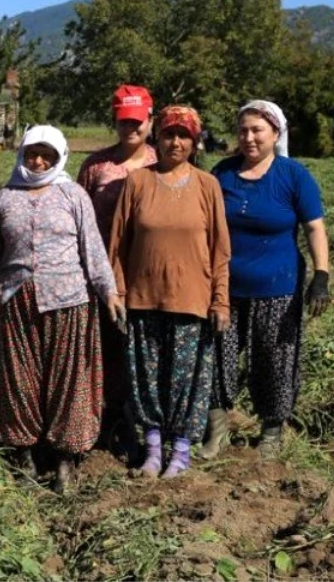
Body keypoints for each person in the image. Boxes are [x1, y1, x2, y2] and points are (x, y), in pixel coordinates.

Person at [0, 126, 122, 492]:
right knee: (19, 381)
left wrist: (109, 293)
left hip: (68, 301)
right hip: (16, 301)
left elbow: (92, 249)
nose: (38, 161)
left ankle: (66, 458)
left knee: (68, 381)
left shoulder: (73, 195)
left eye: (47, 155)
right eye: (32, 153)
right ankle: (25, 454)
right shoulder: (5, 198)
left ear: (59, 157)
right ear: (22, 154)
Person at [109, 105, 230, 478]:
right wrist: (118, 291)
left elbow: (220, 249)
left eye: (184, 136)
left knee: (187, 382)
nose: (175, 142)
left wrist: (220, 299)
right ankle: (152, 451)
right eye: (168, 134)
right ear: (156, 138)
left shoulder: (207, 185)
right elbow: (118, 244)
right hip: (144, 299)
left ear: (195, 142)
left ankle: (180, 452)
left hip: (191, 301)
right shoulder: (137, 183)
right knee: (146, 379)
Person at [204, 100, 330, 458]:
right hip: (226, 287)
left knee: (274, 359)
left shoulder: (293, 175)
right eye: (243, 130)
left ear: (276, 133)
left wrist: (321, 275)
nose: (248, 137)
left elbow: (315, 227)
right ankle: (216, 430)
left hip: (278, 287)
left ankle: (271, 433)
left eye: (257, 130)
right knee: (217, 357)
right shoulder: (223, 173)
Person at [76, 83, 157, 456]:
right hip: (103, 273)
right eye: (125, 121)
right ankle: (104, 420)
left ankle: (141, 421)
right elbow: (77, 217)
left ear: (150, 120)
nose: (131, 129)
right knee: (104, 347)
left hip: (148, 272)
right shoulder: (96, 166)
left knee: (142, 349)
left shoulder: (164, 163)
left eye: (138, 121)